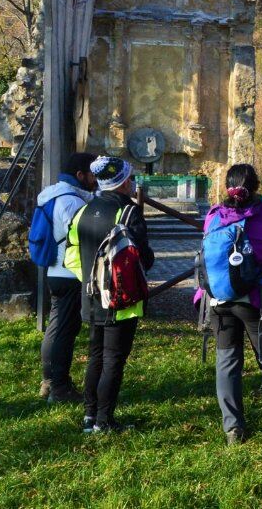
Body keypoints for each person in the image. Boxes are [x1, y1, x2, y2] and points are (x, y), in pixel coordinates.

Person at [205, 163, 262, 445]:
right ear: (256, 187)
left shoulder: (213, 217)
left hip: (219, 300)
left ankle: (233, 430)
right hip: (256, 301)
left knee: (227, 361)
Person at [66, 156, 154, 433]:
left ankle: (89, 416)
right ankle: (104, 421)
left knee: (96, 356)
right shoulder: (128, 212)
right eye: (129, 178)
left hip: (90, 296)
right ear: (123, 181)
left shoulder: (83, 211)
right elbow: (144, 258)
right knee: (114, 358)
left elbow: (71, 256)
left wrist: (92, 281)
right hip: (120, 300)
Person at [37, 152, 98, 404]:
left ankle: (49, 381)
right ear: (80, 175)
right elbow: (82, 237)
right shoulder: (70, 202)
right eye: (92, 174)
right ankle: (59, 387)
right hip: (69, 272)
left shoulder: (52, 194)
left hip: (55, 269)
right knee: (63, 330)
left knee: (58, 327)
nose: (95, 179)